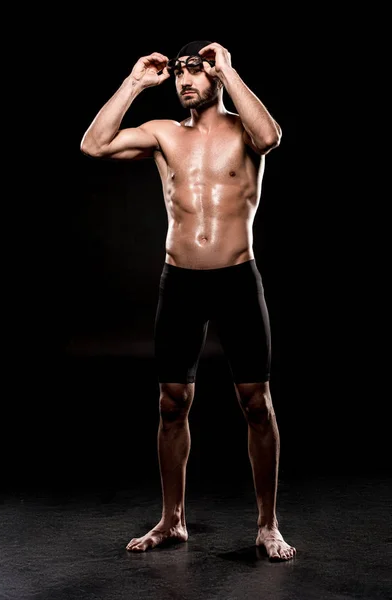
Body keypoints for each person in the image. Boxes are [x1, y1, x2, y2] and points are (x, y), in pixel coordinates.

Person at [81, 40, 296, 561]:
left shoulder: (245, 130)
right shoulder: (163, 134)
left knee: (256, 405)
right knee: (171, 404)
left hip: (236, 279)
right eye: (179, 73)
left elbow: (270, 137)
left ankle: (268, 525)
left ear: (217, 76)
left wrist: (229, 68)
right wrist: (134, 82)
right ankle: (171, 520)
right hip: (179, 281)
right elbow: (94, 144)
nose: (185, 81)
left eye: (196, 71)